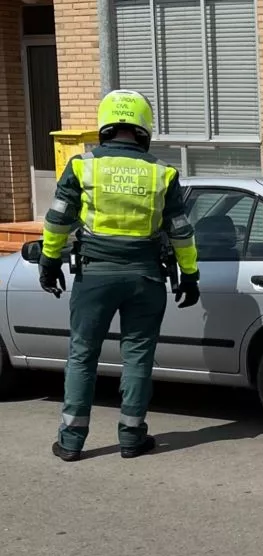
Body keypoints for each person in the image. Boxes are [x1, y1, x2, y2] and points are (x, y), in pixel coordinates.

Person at [38, 89, 200, 462]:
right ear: (144, 128)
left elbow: (59, 219)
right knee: (138, 357)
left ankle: (71, 440)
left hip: (95, 275)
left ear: (105, 126)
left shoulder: (82, 166)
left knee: (82, 355)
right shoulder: (163, 173)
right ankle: (131, 436)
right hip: (146, 277)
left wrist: (49, 262)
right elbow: (180, 231)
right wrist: (189, 275)